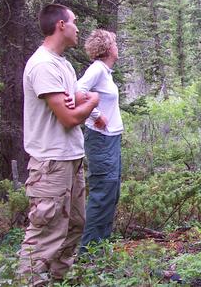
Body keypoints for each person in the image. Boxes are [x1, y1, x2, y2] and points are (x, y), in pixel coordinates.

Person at [19, 4, 99, 285]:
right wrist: (92, 102)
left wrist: (82, 103)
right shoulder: (42, 65)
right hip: (50, 164)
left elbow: (76, 102)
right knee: (45, 236)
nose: (78, 28)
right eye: (75, 22)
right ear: (61, 25)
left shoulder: (63, 64)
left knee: (74, 227)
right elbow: (68, 117)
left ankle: (58, 281)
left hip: (71, 159)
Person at [76, 29, 123, 252]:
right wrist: (95, 115)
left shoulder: (106, 72)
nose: (117, 46)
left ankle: (101, 247)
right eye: (114, 43)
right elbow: (78, 91)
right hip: (100, 140)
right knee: (103, 192)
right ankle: (89, 253)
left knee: (111, 191)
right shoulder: (96, 69)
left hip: (111, 139)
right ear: (107, 48)